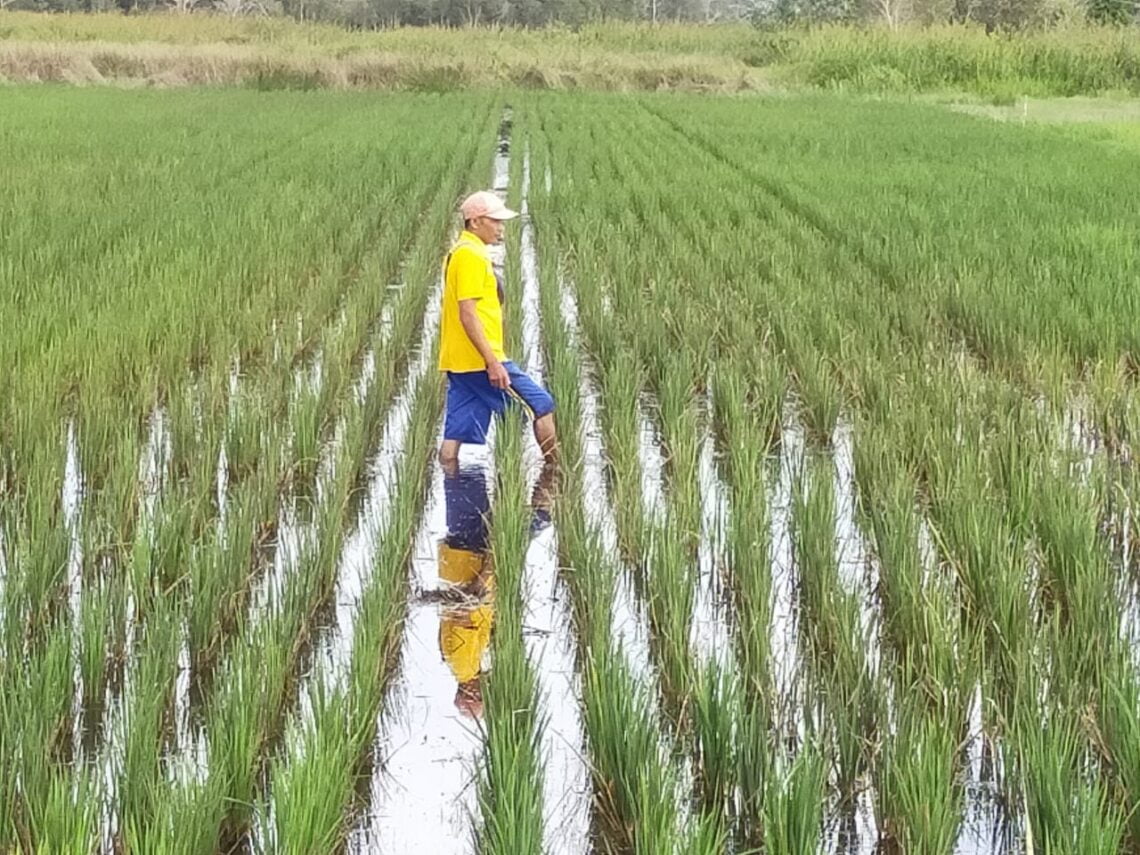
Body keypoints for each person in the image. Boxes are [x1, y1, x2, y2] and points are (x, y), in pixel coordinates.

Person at [438, 190, 557, 467]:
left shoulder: (460, 251)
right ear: (475, 222)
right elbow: (467, 313)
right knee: (541, 404)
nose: (501, 228)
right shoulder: (471, 256)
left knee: (456, 431)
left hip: (459, 360)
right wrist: (493, 362)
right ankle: (556, 473)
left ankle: (452, 488)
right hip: (480, 360)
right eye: (495, 221)